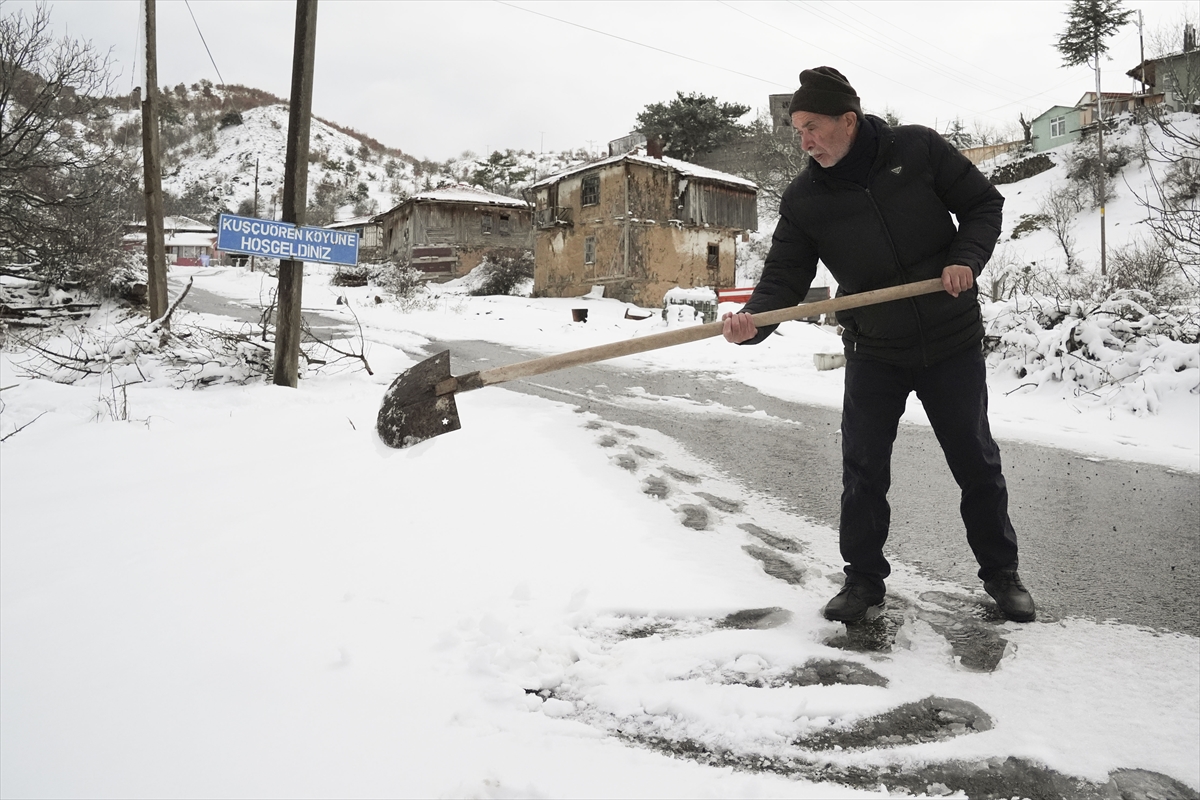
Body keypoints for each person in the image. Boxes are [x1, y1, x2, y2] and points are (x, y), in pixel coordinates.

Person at [723, 67, 1035, 624]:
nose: (805, 141)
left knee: (975, 462)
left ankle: (1002, 577)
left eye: (813, 127)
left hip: (950, 339)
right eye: (798, 131)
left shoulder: (916, 148)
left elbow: (984, 204)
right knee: (863, 470)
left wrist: (964, 259)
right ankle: (863, 581)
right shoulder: (805, 198)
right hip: (875, 348)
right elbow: (785, 277)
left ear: (849, 119)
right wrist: (754, 319)